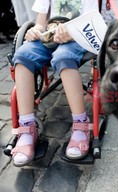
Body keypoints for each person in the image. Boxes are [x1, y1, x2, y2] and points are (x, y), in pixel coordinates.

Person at [11, 0, 99, 167]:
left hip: (75, 39)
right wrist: (35, 31)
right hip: (48, 38)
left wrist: (71, 35)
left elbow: (88, 25)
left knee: (63, 56)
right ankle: (27, 127)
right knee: (23, 56)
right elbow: (40, 24)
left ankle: (81, 125)